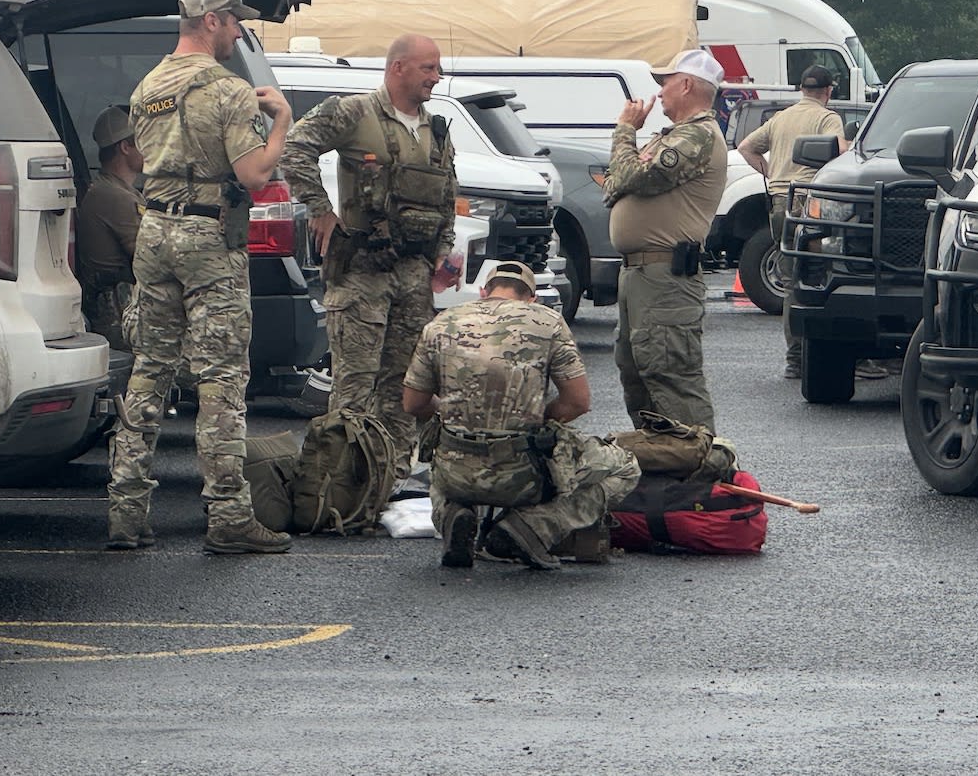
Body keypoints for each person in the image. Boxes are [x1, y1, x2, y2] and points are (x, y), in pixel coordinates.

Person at [107, 0, 293, 555]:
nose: (240, 31)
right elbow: (254, 175)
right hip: (208, 236)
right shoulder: (228, 90)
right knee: (221, 376)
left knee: (150, 367)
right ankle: (229, 515)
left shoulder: (149, 85)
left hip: (155, 231)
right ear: (211, 21)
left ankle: (126, 509)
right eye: (235, 21)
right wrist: (282, 120)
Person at [281, 34, 458, 475]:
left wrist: (444, 251)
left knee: (404, 385)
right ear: (397, 68)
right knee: (355, 385)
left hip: (413, 277)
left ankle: (392, 477)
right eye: (428, 68)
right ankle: (344, 482)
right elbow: (294, 149)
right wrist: (319, 210)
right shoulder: (353, 112)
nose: (436, 78)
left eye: (437, 69)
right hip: (361, 272)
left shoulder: (435, 129)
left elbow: (447, 194)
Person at [402, 260, 640, 571]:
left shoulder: (441, 323)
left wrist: (451, 414)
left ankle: (452, 514)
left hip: (456, 471)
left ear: (484, 291)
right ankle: (532, 526)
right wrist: (537, 420)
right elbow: (577, 402)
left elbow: (413, 403)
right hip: (524, 475)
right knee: (625, 467)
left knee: (438, 450)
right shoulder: (548, 322)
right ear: (532, 298)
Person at [604, 48, 726, 429]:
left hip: (665, 276)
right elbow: (613, 185)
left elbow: (634, 178)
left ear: (686, 84)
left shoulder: (698, 136)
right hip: (640, 275)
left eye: (666, 83)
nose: (659, 93)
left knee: (670, 375)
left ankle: (703, 474)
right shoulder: (669, 137)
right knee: (637, 373)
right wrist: (626, 165)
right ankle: (660, 469)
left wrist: (625, 132)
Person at [737, 65, 849, 379]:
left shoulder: (781, 118)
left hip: (778, 203)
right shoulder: (828, 118)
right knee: (820, 276)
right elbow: (839, 152)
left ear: (802, 89)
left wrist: (771, 173)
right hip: (808, 203)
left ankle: (794, 360)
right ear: (828, 91)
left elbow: (746, 147)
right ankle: (821, 355)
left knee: (791, 283)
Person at [76, 106, 145, 354]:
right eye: (143, 139)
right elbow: (149, 258)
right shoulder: (115, 197)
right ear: (125, 147)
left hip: (119, 307)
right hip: (119, 312)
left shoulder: (116, 191)